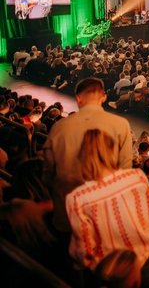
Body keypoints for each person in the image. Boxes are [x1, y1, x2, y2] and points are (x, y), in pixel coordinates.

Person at [65, 129, 149, 288]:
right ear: (113, 151)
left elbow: (84, 251)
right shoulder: (137, 177)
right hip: (147, 263)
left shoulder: (77, 197)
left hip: (111, 273)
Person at [42, 77, 134, 232]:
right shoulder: (121, 125)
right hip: (102, 218)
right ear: (104, 97)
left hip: (66, 214)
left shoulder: (59, 127)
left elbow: (48, 173)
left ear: (78, 97)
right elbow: (125, 170)